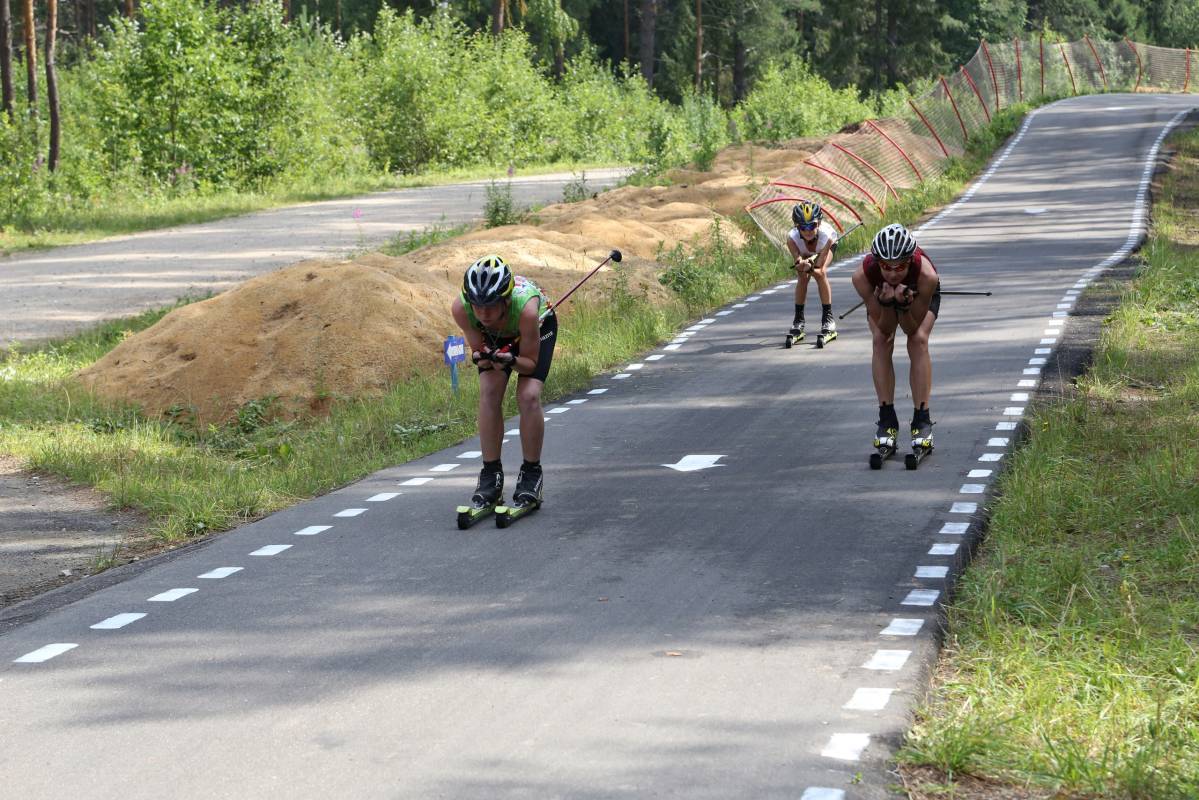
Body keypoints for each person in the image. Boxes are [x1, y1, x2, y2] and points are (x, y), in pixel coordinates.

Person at [451, 255, 557, 509]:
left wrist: (510, 360)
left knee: (528, 395)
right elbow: (481, 355)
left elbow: (529, 364)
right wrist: (484, 357)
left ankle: (531, 474)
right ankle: (491, 476)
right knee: (489, 391)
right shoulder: (461, 309)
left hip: (536, 329)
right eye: (477, 306)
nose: (483, 313)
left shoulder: (527, 310)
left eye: (490, 305)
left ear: (506, 300)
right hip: (497, 336)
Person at [850, 223, 941, 452]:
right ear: (877, 262)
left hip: (918, 298)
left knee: (918, 340)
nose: (892, 273)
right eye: (885, 267)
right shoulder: (862, 277)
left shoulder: (926, 275)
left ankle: (922, 419)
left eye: (900, 267)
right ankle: (887, 419)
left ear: (910, 260)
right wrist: (887, 303)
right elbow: (886, 327)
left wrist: (903, 305)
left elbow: (910, 328)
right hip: (884, 302)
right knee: (881, 340)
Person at [785, 201, 838, 343]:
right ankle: (798, 320)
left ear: (819, 224)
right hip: (804, 249)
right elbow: (798, 263)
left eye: (812, 225)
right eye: (803, 227)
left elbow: (819, 267)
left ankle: (828, 319)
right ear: (797, 227)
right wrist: (801, 264)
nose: (808, 230)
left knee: (820, 274)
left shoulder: (826, 236)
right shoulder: (792, 239)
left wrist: (811, 266)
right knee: (802, 276)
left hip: (825, 247)